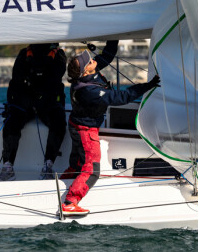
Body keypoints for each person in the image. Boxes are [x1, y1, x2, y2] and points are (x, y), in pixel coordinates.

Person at [61, 40, 160, 215]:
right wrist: (149, 85)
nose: (92, 60)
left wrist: (114, 38)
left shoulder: (87, 74)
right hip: (85, 131)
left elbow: (106, 56)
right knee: (92, 170)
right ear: (85, 71)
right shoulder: (89, 91)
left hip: (77, 125)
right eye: (88, 62)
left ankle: (60, 183)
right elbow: (121, 97)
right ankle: (70, 201)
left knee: (77, 164)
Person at [0, 43, 67, 181]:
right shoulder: (24, 54)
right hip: (26, 102)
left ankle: (48, 166)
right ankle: (8, 167)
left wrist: (33, 75)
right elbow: (17, 76)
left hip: (47, 103)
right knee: (11, 122)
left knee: (58, 123)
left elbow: (55, 76)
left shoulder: (59, 55)